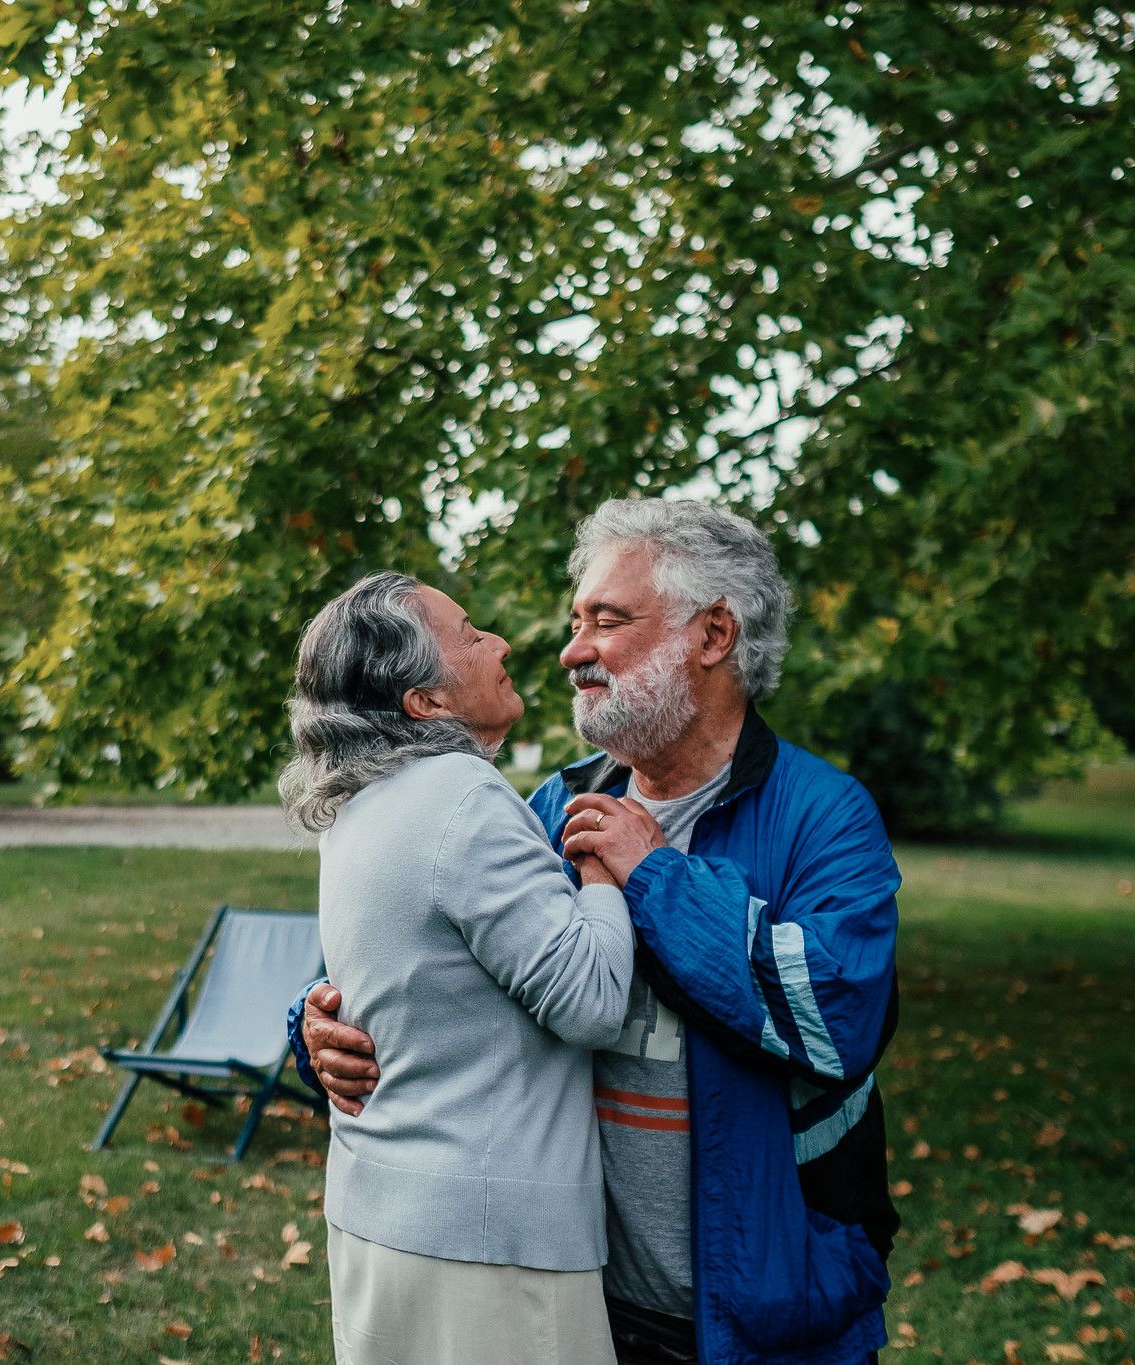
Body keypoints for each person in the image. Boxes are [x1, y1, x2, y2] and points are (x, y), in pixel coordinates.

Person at [293, 500, 901, 1365]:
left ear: (714, 633)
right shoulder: (547, 808)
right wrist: (317, 1022)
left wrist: (653, 875)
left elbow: (833, 1014)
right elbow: (421, 958)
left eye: (606, 621)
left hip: (772, 1316)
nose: (571, 650)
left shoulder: (823, 816)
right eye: (576, 621)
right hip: (582, 1298)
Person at [279, 571, 635, 1365]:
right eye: (471, 635)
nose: (502, 644)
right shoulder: (462, 795)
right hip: (487, 1247)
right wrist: (609, 871)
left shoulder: (359, 805)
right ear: (425, 703)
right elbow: (592, 1000)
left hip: (379, 1213)